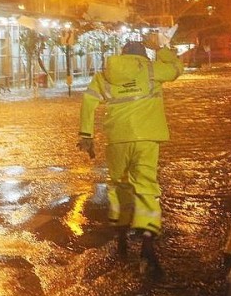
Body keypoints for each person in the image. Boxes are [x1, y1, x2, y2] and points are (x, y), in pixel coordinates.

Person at [77, 39, 184, 277]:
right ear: (142, 55)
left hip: (117, 140)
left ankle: (121, 236)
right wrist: (162, 48)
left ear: (122, 54)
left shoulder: (106, 73)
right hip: (147, 139)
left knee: (120, 186)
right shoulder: (150, 69)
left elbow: (88, 101)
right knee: (146, 187)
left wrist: (87, 135)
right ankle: (147, 243)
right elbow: (177, 68)